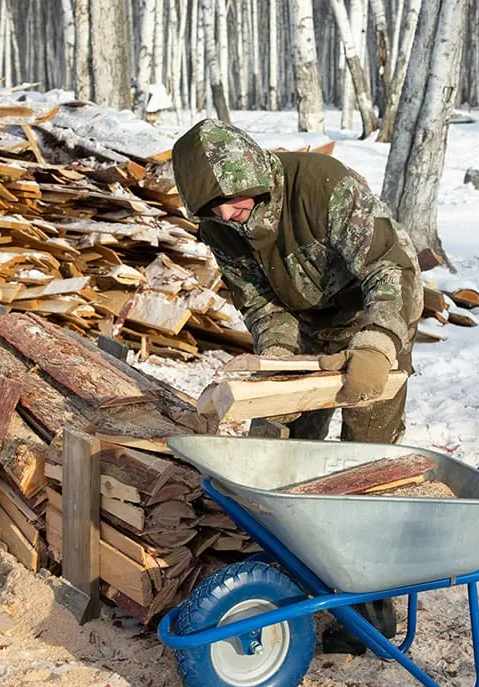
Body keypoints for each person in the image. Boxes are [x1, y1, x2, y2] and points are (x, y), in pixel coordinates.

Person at [171, 119, 425, 654]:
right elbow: (262, 304)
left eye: (233, 201)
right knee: (279, 453)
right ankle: (293, 582)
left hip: (373, 319)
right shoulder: (220, 225)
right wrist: (280, 364)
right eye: (212, 208)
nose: (226, 215)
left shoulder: (321, 187)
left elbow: (389, 270)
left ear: (258, 177)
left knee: (365, 468)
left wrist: (378, 344)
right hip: (308, 330)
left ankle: (369, 615)